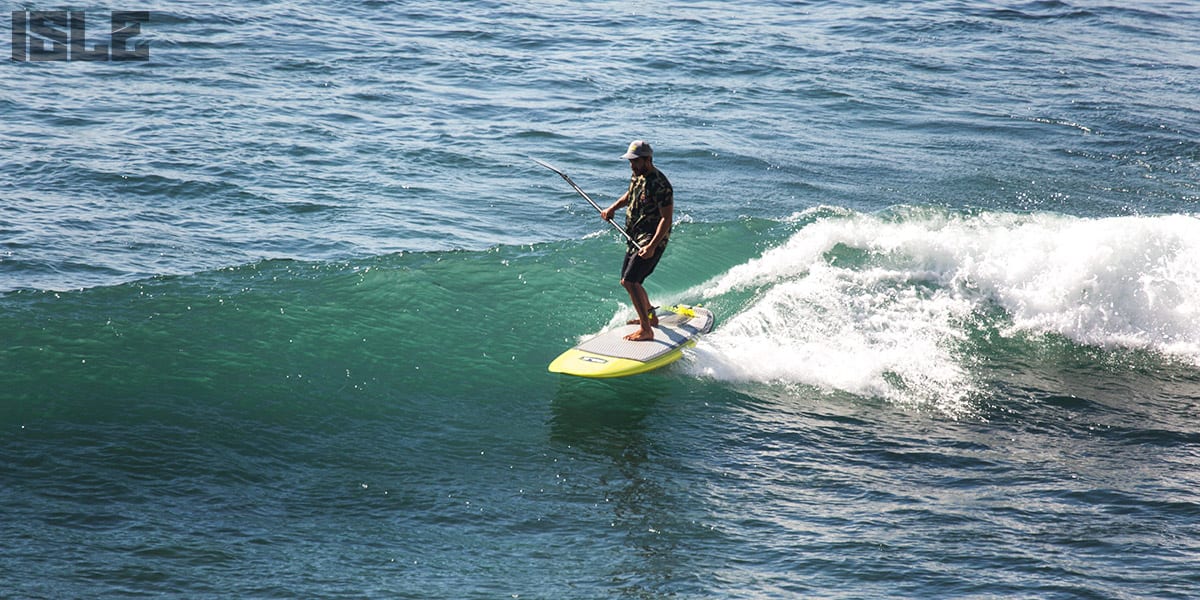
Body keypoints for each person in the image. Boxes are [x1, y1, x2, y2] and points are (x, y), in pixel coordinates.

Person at [600, 140, 674, 341]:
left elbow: (667, 218)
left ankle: (646, 329)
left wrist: (651, 246)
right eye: (630, 161)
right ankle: (651, 317)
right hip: (634, 236)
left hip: (650, 240)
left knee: (630, 281)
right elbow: (630, 195)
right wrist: (612, 208)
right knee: (629, 282)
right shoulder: (637, 175)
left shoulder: (661, 184)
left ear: (647, 160)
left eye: (635, 161)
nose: (632, 165)